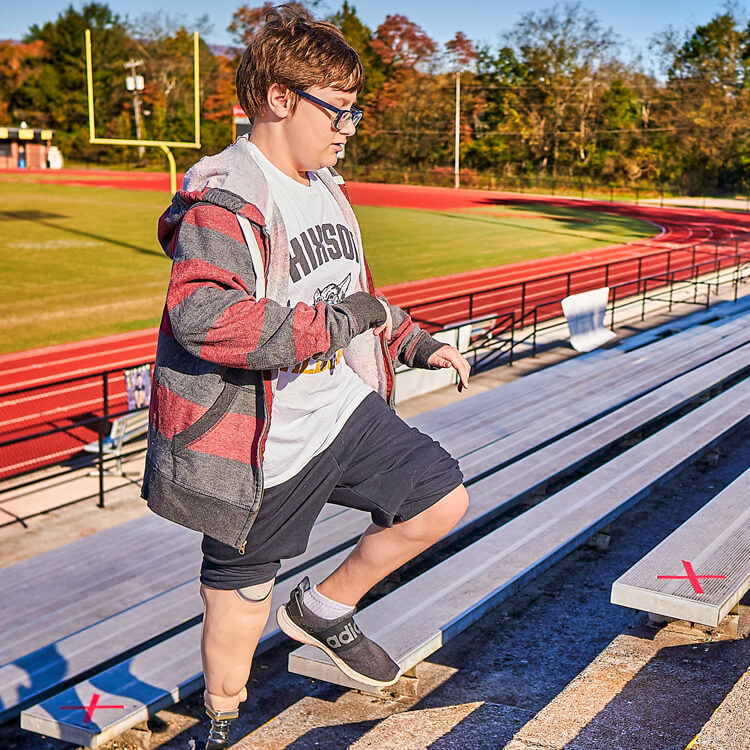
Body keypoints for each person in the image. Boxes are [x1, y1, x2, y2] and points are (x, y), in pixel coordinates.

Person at [140, 6, 470, 749]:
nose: (348, 127)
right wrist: (339, 325)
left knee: (439, 499)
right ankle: (220, 725)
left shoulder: (327, 186)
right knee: (237, 606)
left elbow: (354, 289)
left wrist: (415, 341)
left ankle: (323, 610)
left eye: (354, 112)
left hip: (338, 410)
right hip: (255, 445)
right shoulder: (226, 197)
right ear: (278, 99)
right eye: (339, 110)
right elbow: (201, 316)